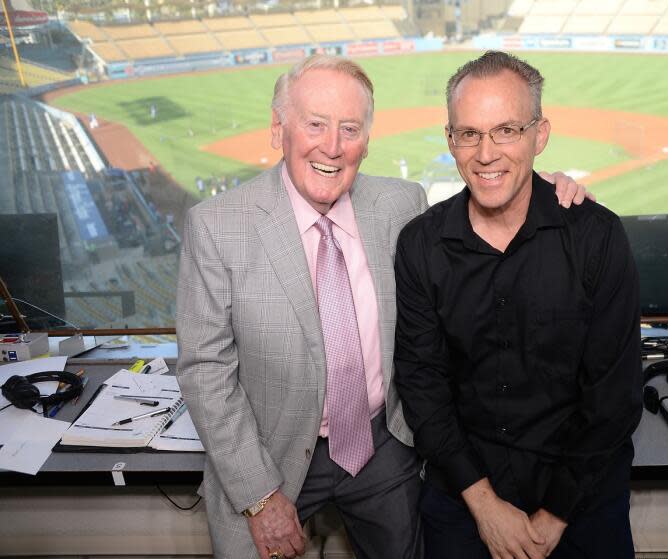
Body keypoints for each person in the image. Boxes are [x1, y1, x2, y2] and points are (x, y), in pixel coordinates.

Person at [176, 54, 589, 559]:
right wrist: (260, 499)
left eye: (349, 128)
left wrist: (550, 187)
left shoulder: (403, 206)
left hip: (383, 445)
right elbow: (204, 370)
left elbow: (491, 184)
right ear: (278, 128)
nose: (332, 146)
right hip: (271, 456)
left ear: (367, 141)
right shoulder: (217, 226)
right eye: (315, 125)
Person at [394, 51, 643, 559]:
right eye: (469, 134)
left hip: (580, 491)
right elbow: (423, 386)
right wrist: (485, 507)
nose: (486, 153)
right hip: (467, 487)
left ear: (540, 135)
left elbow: (613, 399)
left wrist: (552, 518)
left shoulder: (597, 236)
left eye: (506, 130)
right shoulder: (421, 243)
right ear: (451, 140)